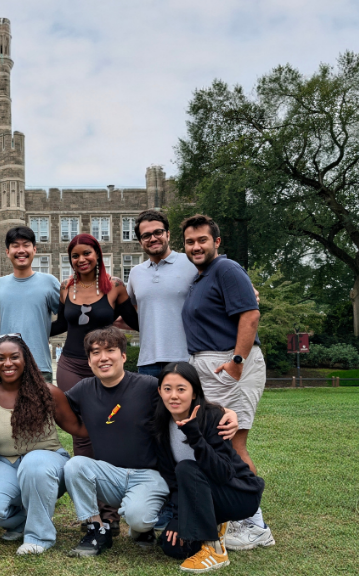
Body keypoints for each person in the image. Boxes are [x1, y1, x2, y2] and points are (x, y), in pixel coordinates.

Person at [63, 327, 238, 558]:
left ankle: (142, 528)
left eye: (110, 350)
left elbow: (181, 398)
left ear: (123, 356)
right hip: (110, 475)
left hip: (148, 474)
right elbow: (55, 405)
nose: (103, 357)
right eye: (95, 353)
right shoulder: (83, 389)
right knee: (74, 466)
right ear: (89, 360)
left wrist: (228, 412)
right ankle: (97, 528)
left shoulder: (146, 385)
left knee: (140, 518)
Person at [180, 214, 273, 550]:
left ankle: (255, 524)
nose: (196, 246)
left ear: (216, 242)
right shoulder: (200, 278)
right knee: (218, 443)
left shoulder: (226, 268)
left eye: (202, 240)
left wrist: (236, 363)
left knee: (234, 444)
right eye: (190, 242)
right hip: (208, 368)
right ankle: (235, 514)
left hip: (230, 367)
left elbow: (250, 315)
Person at [50, 233, 139, 533]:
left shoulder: (114, 287)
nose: (81, 259)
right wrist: (23, 324)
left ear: (97, 254)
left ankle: (111, 513)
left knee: (111, 430)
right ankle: (93, 517)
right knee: (82, 435)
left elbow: (137, 321)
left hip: (105, 367)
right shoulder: (66, 287)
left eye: (86, 253)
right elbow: (62, 324)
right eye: (75, 255)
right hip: (72, 366)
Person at [0, 334, 88, 556]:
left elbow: (78, 428)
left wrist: (111, 425)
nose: (8, 363)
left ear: (25, 359)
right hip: (5, 462)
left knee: (34, 462)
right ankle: (26, 520)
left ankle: (39, 536)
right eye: (1, 358)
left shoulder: (48, 392)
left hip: (47, 462)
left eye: (14, 357)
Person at [153, 362, 265, 572]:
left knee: (187, 467)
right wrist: (178, 517)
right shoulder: (160, 426)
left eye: (181, 389)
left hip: (238, 493)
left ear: (194, 392)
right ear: (159, 391)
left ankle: (215, 551)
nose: (174, 396)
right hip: (201, 495)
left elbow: (223, 473)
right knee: (174, 548)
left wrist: (195, 435)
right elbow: (174, 481)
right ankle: (216, 525)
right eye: (167, 389)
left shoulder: (213, 417)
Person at [126, 210, 200, 377]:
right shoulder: (135, 273)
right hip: (147, 362)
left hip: (186, 359)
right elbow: (130, 311)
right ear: (140, 242)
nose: (153, 238)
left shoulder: (191, 263)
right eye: (146, 235)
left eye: (158, 232)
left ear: (168, 234)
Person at [0, 227, 60, 383]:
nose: (21, 250)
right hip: (7, 367)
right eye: (15, 245)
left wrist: (43, 331)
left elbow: (69, 317)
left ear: (34, 249)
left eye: (26, 245)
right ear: (7, 251)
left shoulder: (49, 283)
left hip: (40, 367)